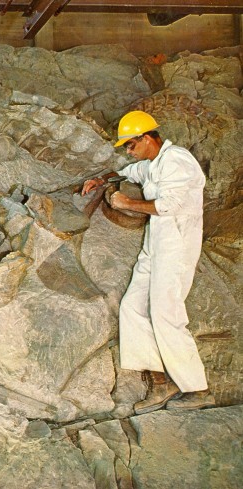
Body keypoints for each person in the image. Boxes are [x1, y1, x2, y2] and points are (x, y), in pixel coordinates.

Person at [82, 110, 215, 414]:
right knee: (131, 307)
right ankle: (160, 382)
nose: (129, 151)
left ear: (146, 138)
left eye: (131, 145)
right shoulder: (153, 163)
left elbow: (169, 205)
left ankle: (198, 389)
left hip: (177, 245)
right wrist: (102, 179)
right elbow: (130, 172)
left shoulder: (177, 160)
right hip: (155, 245)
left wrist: (127, 203)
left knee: (166, 314)